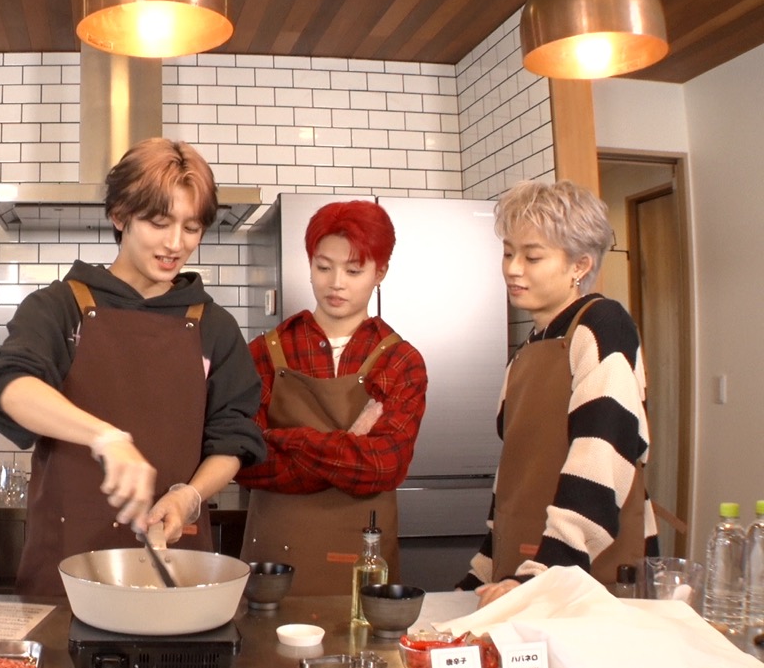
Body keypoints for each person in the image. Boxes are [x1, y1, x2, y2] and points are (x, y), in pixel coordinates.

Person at [0, 137, 265, 596]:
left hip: (174, 565)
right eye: (158, 222)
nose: (175, 244)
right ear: (120, 215)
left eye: (191, 227)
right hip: (64, 567)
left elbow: (233, 435)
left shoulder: (214, 326)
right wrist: (105, 438)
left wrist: (190, 496)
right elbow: (8, 383)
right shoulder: (61, 307)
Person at [456, 180, 657, 608]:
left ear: (580, 266)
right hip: (525, 574)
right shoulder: (528, 348)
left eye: (532, 257)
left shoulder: (603, 325)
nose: (513, 269)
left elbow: (603, 454)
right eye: (508, 253)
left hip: (583, 577)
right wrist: (484, 572)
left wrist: (548, 569)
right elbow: (515, 477)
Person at [235, 200, 428, 596]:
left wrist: (285, 439)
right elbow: (246, 462)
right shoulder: (264, 353)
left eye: (354, 271)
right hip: (272, 563)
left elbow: (383, 467)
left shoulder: (400, 361)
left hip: (364, 567)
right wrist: (348, 452)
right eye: (324, 267)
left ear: (380, 273)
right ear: (309, 265)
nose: (336, 283)